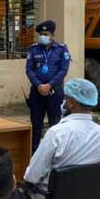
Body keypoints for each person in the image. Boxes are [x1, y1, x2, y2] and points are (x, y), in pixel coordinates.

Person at [13, 78, 100, 199]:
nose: (62, 101)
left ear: (71, 102)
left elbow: (32, 177)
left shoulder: (57, 133)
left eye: (65, 98)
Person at [25, 20, 71, 152]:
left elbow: (63, 70)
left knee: (55, 125)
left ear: (52, 35)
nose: (42, 36)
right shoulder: (33, 49)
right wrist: (39, 85)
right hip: (37, 93)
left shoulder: (62, 49)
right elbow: (29, 70)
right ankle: (34, 153)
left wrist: (49, 85)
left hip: (54, 93)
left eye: (45, 34)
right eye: (40, 34)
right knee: (36, 125)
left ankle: (55, 153)